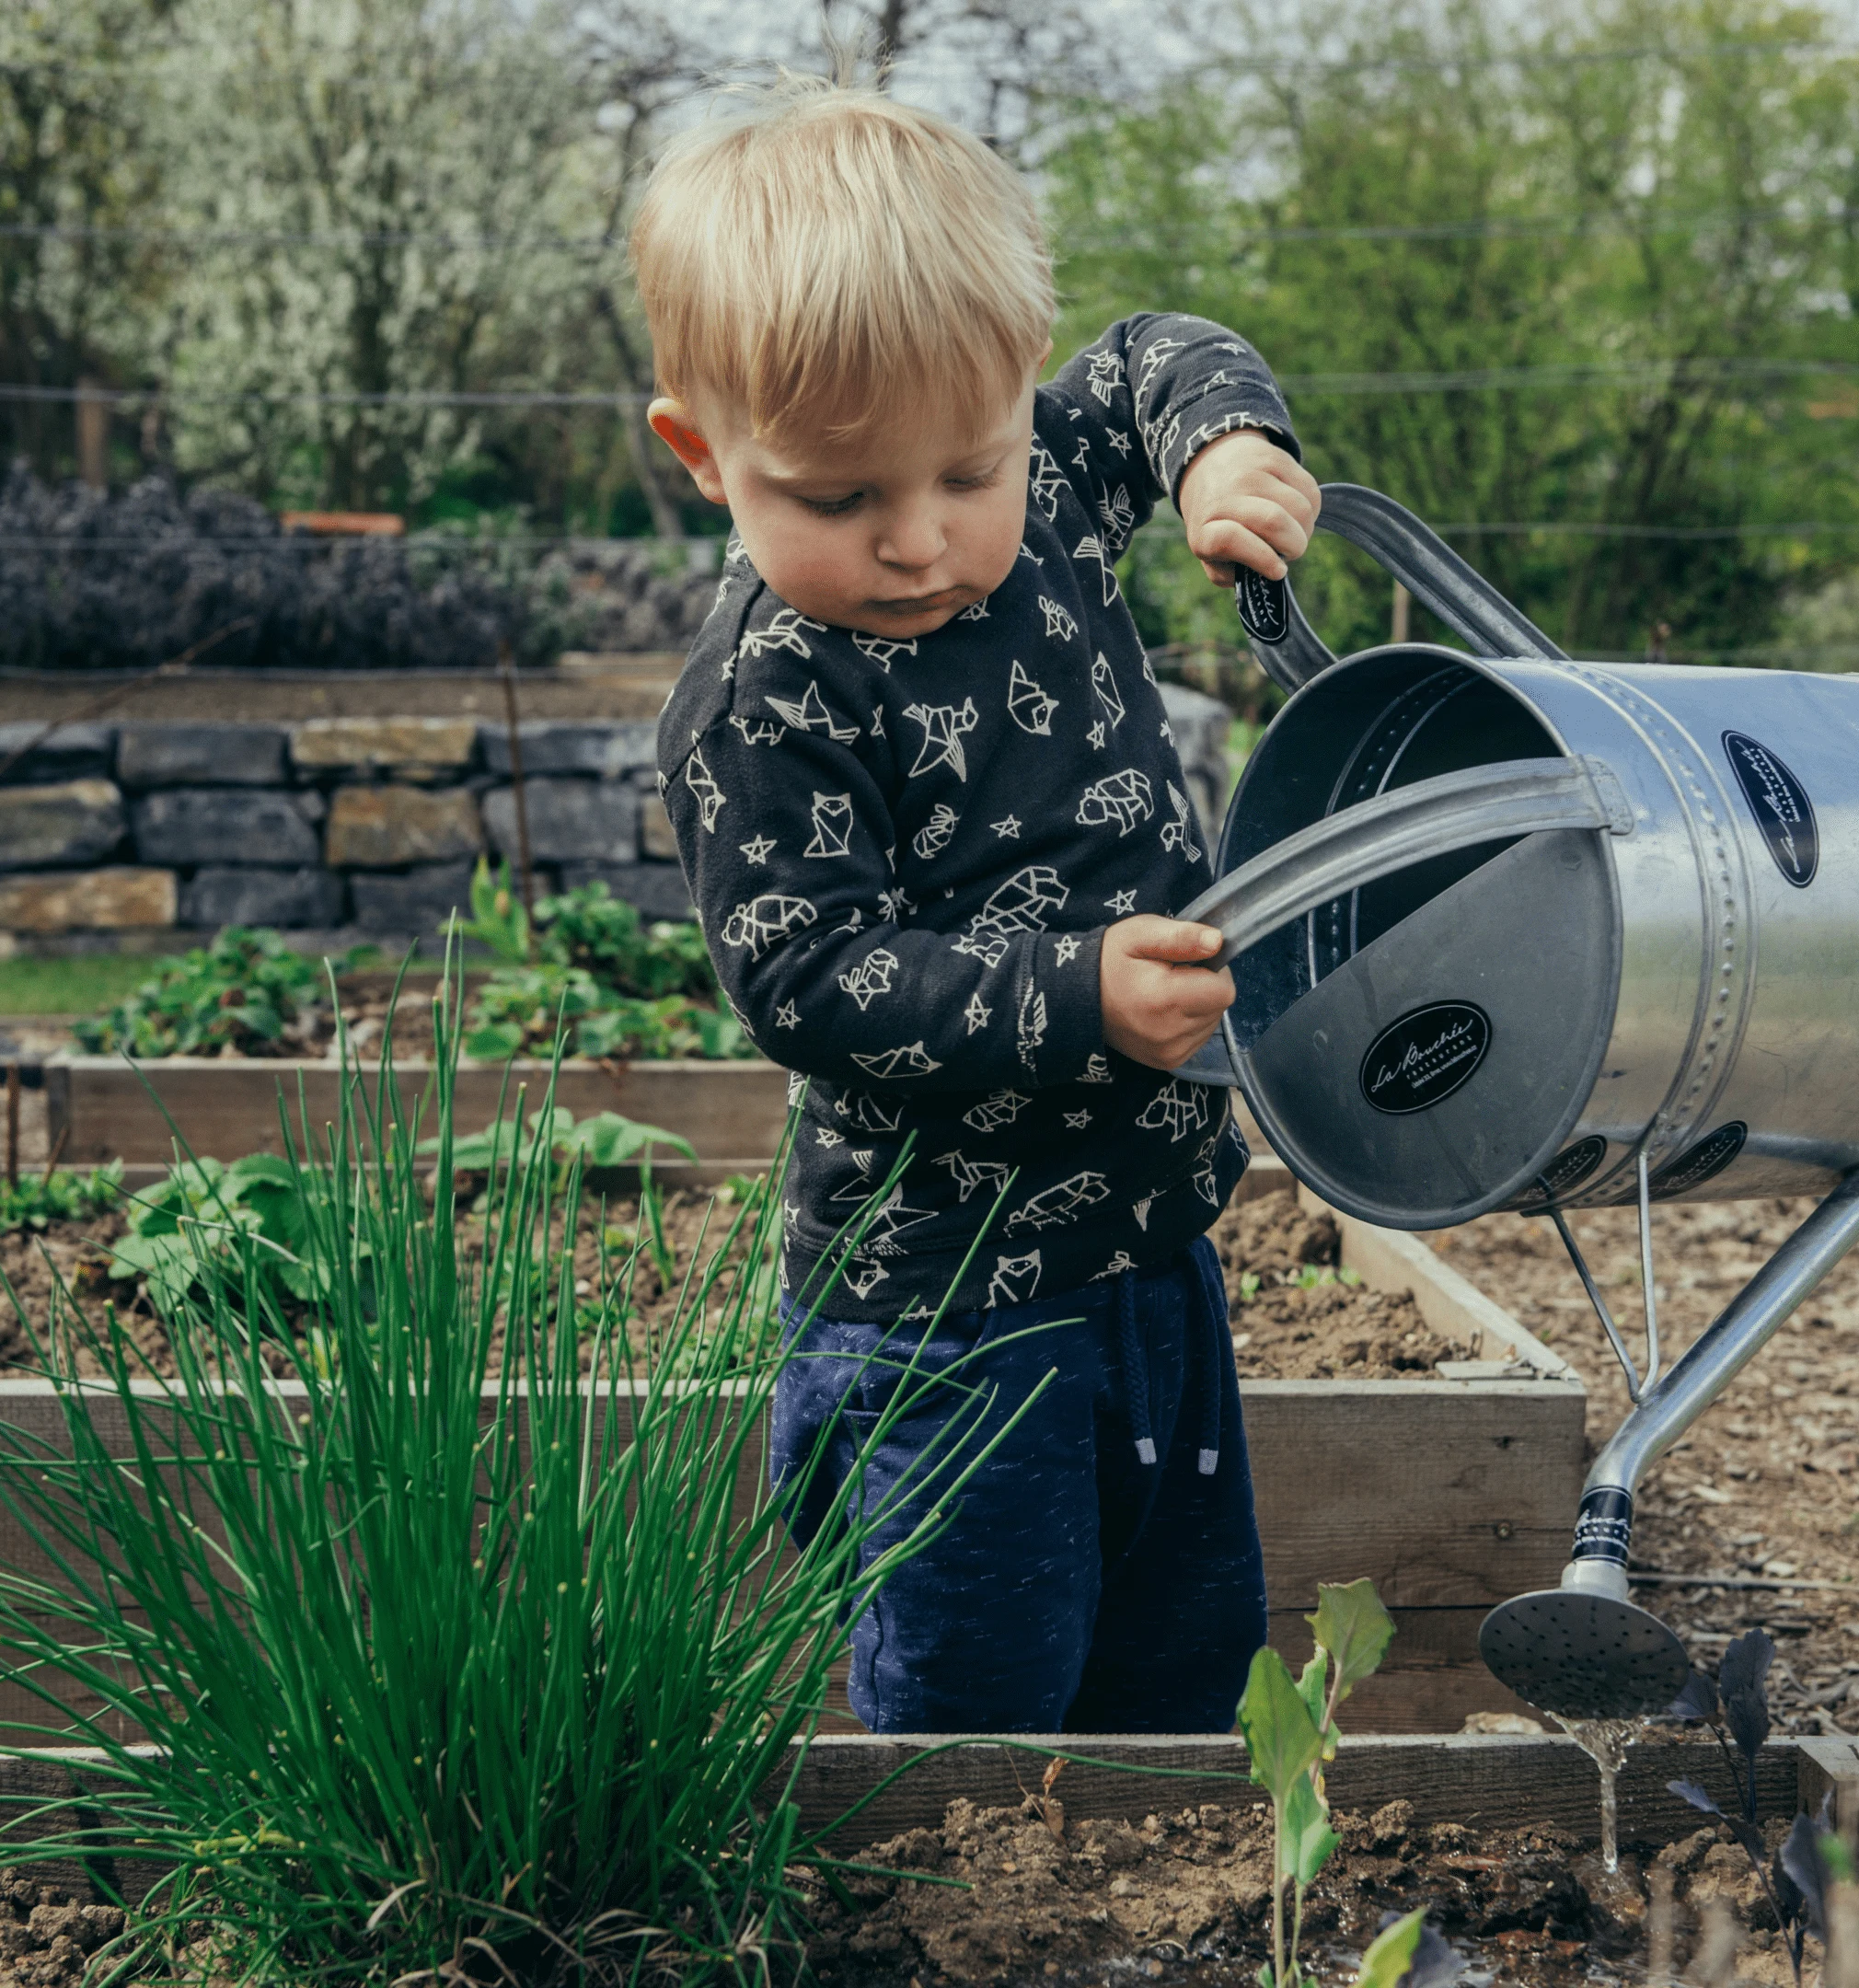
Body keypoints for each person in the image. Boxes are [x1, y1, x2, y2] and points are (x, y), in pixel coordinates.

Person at [638, 77, 1321, 1733]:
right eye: (834, 497)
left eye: (969, 468)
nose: (921, 540)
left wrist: (1226, 445)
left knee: (1181, 1667)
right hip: (946, 1318)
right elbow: (809, 977)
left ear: (1019, 396)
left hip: (1155, 1253)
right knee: (980, 1711)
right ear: (699, 454)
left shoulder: (1058, 487)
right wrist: (1074, 994)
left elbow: (1160, 349)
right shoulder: (765, 702)